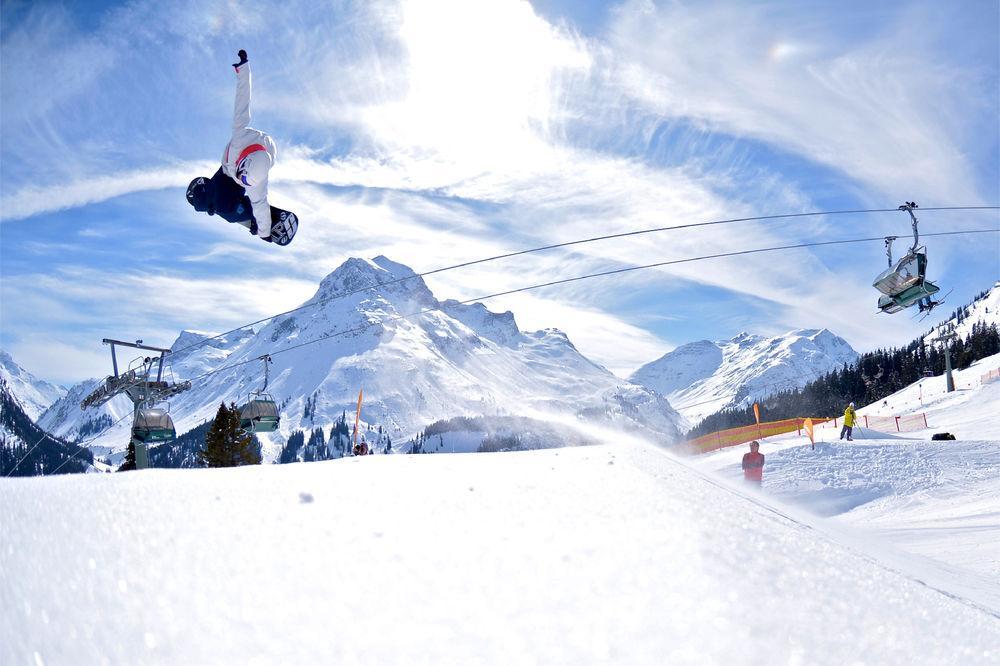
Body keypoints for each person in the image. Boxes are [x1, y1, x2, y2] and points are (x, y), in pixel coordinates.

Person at [186, 50, 277, 241]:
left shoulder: (257, 185)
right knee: (220, 202)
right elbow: (243, 100)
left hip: (250, 164)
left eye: (245, 182)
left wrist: (265, 233)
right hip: (227, 172)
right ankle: (212, 199)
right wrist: (244, 69)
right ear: (243, 163)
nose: (242, 181)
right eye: (243, 178)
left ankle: (237, 210)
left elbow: (261, 203)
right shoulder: (239, 136)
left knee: (228, 207)